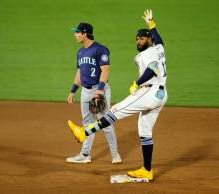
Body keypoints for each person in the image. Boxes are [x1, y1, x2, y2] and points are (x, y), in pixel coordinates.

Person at [67, 10, 167, 180]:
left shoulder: (148, 53)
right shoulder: (159, 48)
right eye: (137, 38)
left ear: (149, 40)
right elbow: (159, 39)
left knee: (115, 110)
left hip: (149, 92)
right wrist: (152, 24)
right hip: (161, 95)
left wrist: (137, 82)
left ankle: (85, 132)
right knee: (145, 132)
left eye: (142, 38)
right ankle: (147, 170)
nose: (138, 41)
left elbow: (153, 69)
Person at [66, 22, 122, 164]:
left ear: (85, 33)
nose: (75, 35)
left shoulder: (100, 49)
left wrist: (100, 91)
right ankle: (85, 155)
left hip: (99, 89)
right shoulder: (80, 52)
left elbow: (105, 70)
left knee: (105, 122)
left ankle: (115, 155)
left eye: (77, 32)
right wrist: (73, 90)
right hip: (85, 91)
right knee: (87, 123)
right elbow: (80, 72)